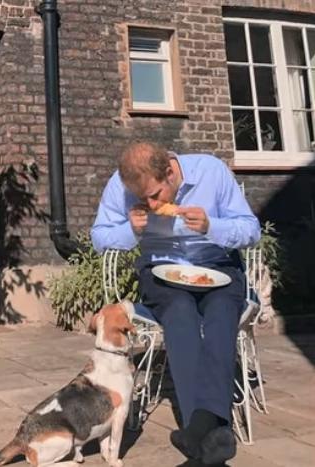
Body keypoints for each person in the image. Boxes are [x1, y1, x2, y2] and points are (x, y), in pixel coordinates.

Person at [90, 142, 261, 466]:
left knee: (222, 314)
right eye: (143, 199)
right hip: (162, 272)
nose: (151, 204)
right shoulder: (120, 184)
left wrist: (213, 226)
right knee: (180, 314)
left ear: (170, 172)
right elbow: (99, 237)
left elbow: (251, 231)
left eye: (155, 195)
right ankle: (213, 432)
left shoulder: (210, 172)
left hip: (218, 267)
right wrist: (131, 231)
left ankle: (199, 431)